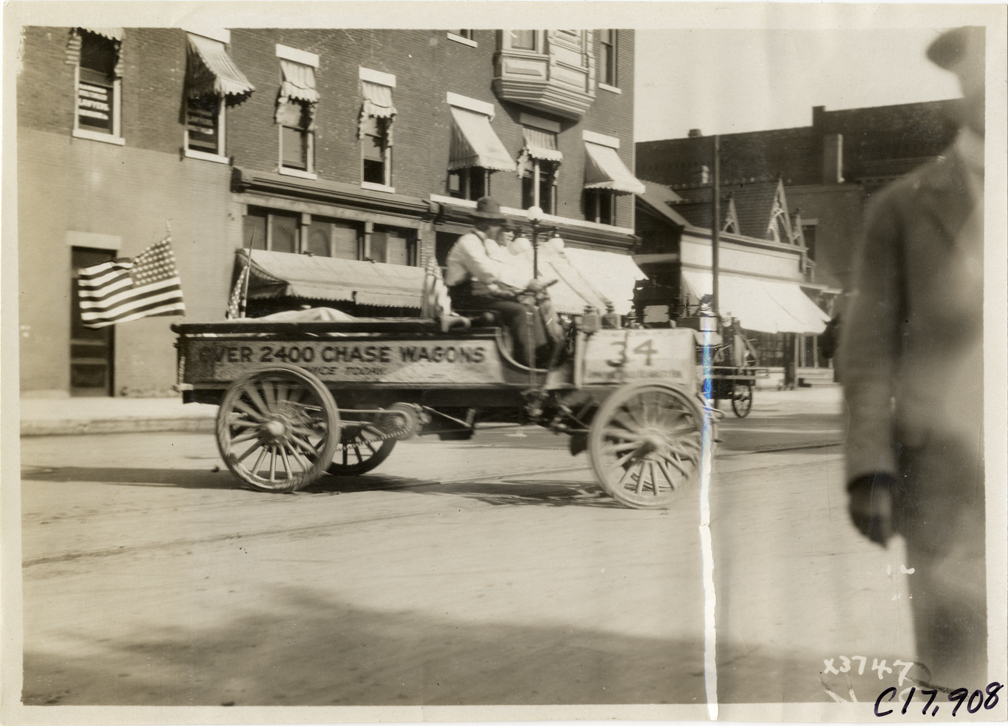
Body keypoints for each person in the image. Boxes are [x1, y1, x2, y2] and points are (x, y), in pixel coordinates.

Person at [839, 27, 986, 689]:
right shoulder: (902, 208)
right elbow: (868, 352)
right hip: (947, 471)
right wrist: (868, 468)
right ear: (962, 87)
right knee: (958, 667)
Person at [445, 197, 550, 367]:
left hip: (474, 296)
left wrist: (504, 292)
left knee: (530, 308)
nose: (500, 228)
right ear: (487, 224)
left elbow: (488, 280)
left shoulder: (482, 243)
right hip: (463, 300)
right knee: (520, 312)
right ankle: (526, 365)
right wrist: (526, 284)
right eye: (497, 224)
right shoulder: (469, 242)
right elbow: (488, 273)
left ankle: (542, 356)